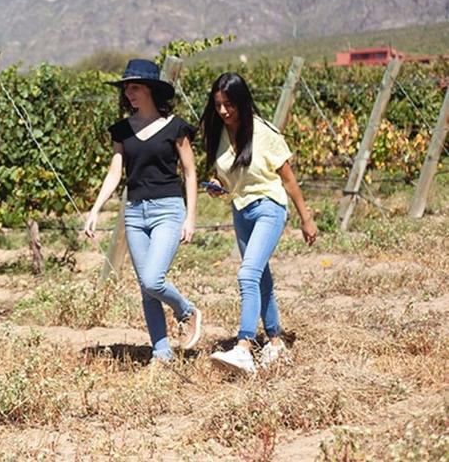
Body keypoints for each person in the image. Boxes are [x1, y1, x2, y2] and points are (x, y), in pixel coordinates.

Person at [83, 58, 202, 362]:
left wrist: (190, 217)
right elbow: (115, 171)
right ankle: (161, 354)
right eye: (126, 89)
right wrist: (96, 209)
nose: (129, 94)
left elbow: (190, 172)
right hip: (134, 212)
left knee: (153, 279)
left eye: (134, 88)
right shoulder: (122, 130)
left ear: (150, 90)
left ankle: (187, 311)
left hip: (168, 210)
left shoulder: (175, 127)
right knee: (145, 288)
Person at [201, 72, 317, 374]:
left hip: (269, 207)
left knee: (247, 274)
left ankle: (243, 346)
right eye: (218, 105)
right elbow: (224, 174)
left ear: (242, 101)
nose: (224, 111)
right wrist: (215, 184)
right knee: (261, 277)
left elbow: (288, 180)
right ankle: (276, 342)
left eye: (229, 105)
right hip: (240, 209)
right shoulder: (221, 133)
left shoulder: (265, 133)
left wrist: (306, 219)